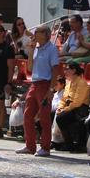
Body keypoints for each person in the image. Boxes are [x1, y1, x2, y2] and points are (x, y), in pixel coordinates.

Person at [17, 26, 59, 156]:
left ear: (45, 34)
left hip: (45, 84)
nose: (34, 34)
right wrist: (30, 50)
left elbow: (55, 69)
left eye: (37, 32)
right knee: (27, 115)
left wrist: (51, 89)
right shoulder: (36, 48)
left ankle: (45, 147)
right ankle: (30, 146)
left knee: (44, 118)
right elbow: (29, 68)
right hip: (34, 84)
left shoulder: (51, 49)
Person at [53, 62, 90, 151]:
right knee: (53, 113)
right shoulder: (68, 83)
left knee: (61, 118)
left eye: (67, 69)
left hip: (80, 109)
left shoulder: (81, 83)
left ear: (74, 70)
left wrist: (65, 109)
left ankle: (69, 143)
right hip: (70, 107)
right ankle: (57, 141)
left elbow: (77, 102)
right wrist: (60, 107)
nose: (65, 71)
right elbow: (64, 98)